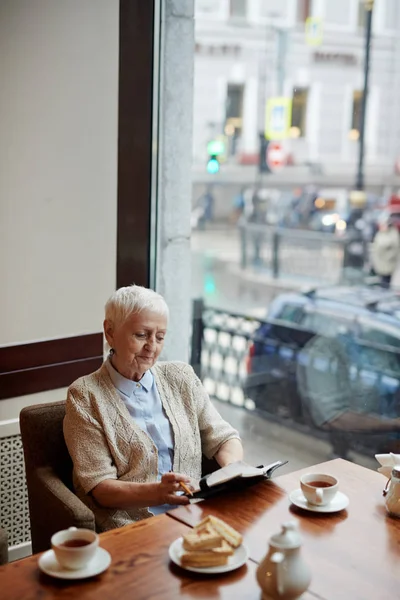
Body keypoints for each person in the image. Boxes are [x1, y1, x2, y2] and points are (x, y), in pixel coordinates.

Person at [64, 285, 243, 532]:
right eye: (141, 335)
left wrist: (233, 470)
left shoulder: (181, 377)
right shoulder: (84, 396)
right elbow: (101, 488)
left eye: (160, 337)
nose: (152, 347)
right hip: (131, 526)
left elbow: (224, 438)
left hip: (195, 513)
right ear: (110, 332)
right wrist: (159, 493)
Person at [370, 216, 400, 288]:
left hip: (388, 263)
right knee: (380, 281)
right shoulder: (380, 233)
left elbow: (393, 247)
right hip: (379, 262)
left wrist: (389, 256)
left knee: (385, 281)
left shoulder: (393, 234)